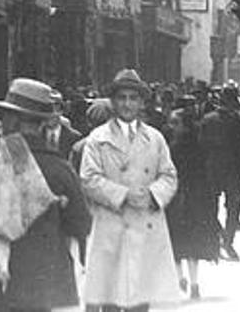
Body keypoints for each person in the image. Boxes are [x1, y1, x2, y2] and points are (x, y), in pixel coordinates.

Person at [80, 68, 181, 312]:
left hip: (144, 227)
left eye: (133, 98)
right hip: (110, 228)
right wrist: (123, 194)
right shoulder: (97, 139)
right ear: (113, 102)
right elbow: (88, 178)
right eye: (122, 98)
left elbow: (169, 175)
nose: (127, 104)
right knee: (111, 300)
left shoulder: (155, 139)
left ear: (141, 103)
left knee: (140, 301)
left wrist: (153, 195)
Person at [0, 78, 92, 312]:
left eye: (5, 116)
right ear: (43, 124)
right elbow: (81, 223)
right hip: (43, 278)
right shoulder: (59, 167)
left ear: (13, 120)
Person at [162, 105, 219, 300]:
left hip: (177, 200)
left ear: (185, 125)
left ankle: (180, 279)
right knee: (193, 243)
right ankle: (194, 283)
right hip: (196, 199)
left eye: (175, 123)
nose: (172, 126)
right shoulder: (200, 146)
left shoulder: (172, 148)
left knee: (177, 242)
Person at [199, 84, 240, 260]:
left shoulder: (207, 120)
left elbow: (201, 146)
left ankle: (216, 237)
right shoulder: (237, 121)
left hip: (212, 169)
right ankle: (227, 241)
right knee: (233, 209)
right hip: (232, 171)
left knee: (211, 207)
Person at [45, 89, 83, 160]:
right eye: (47, 111)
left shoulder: (75, 138)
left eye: (56, 110)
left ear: (61, 111)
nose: (51, 115)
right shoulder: (37, 134)